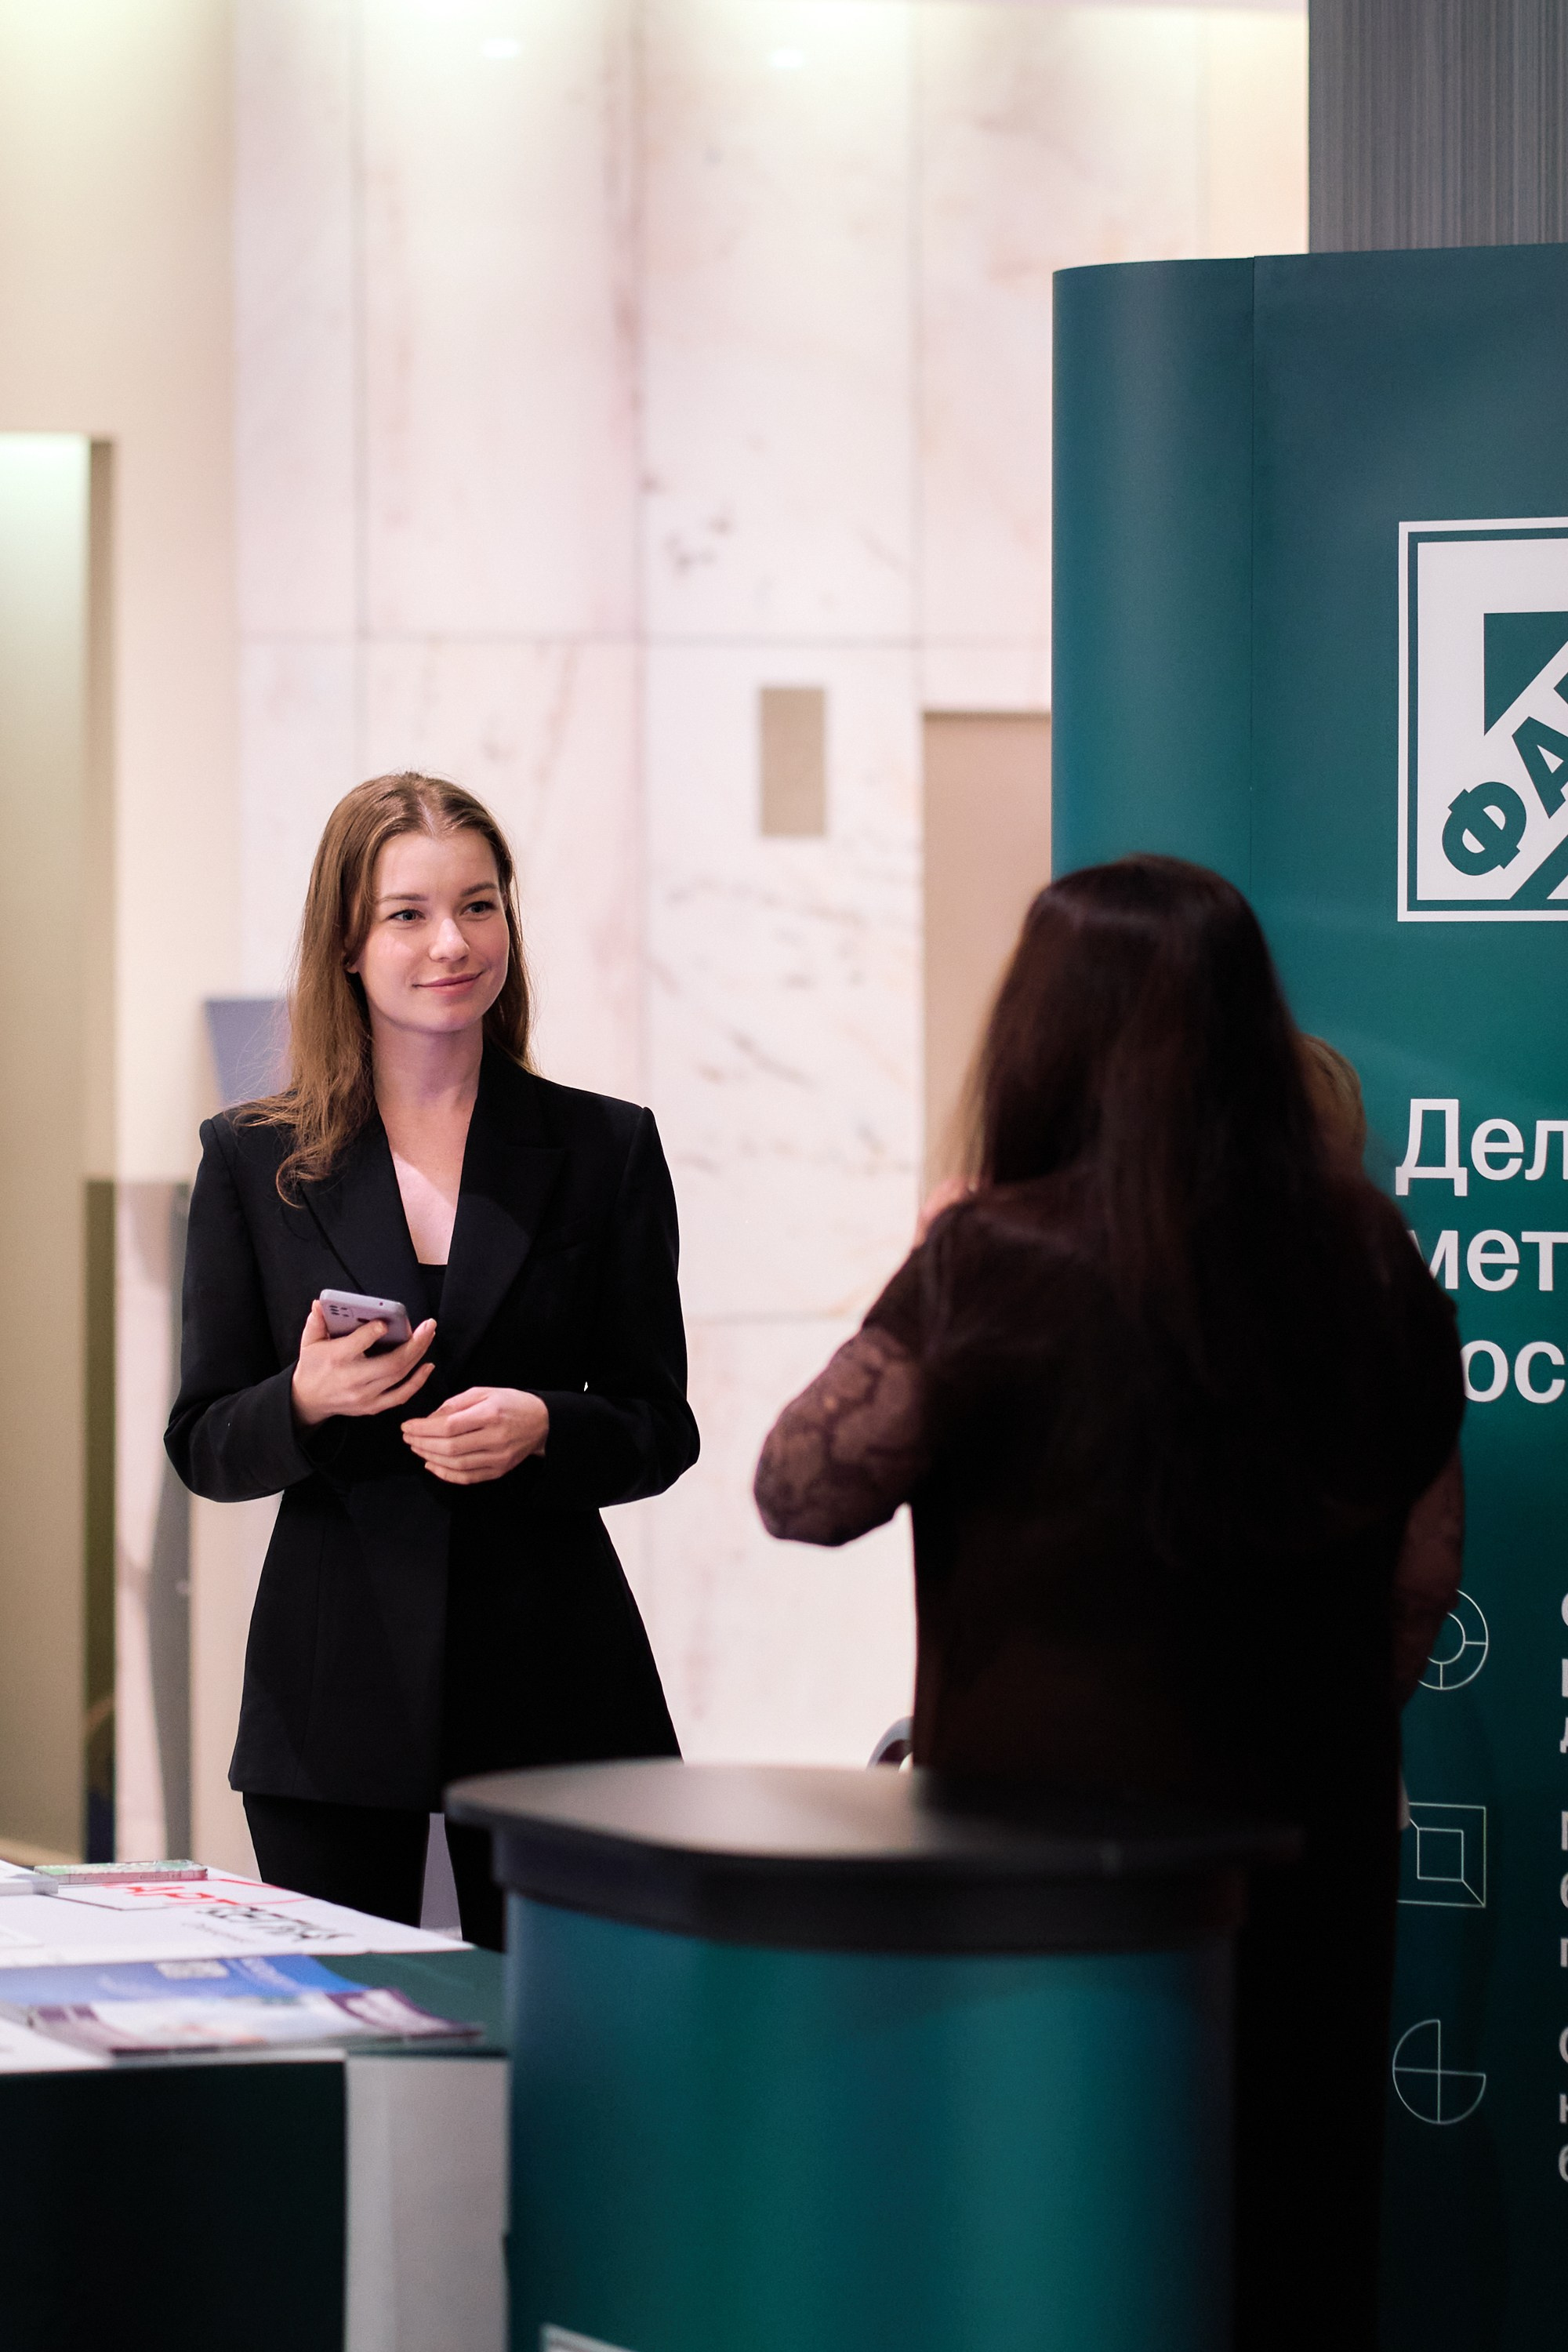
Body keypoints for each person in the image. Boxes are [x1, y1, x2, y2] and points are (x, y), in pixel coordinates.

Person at [753, 855, 1463, 2352]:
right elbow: (1421, 1577)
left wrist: (924, 1277)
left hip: (1050, 1891)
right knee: (1284, 2257)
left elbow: (803, 1489)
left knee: (1056, 2265)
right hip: (1307, 1860)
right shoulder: (1375, 1256)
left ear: (1040, 1033)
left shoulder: (991, 1259)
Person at [166, 772, 698, 1949]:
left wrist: (548, 1427)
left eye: (480, 905)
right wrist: (304, 1400)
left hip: (560, 1688)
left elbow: (661, 1423)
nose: (451, 943)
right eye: (407, 913)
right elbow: (205, 1441)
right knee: (349, 2064)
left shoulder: (606, 1148)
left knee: (562, 2054)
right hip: (333, 1694)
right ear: (347, 944)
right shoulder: (256, 1161)